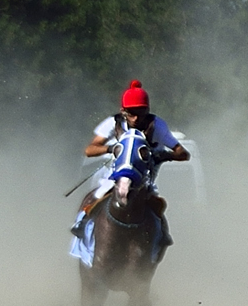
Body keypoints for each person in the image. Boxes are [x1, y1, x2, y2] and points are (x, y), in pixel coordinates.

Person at [73, 80, 189, 232]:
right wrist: (111, 148)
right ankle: (81, 223)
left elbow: (183, 153)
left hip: (144, 179)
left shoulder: (157, 126)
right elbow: (89, 150)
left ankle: (163, 236)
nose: (136, 119)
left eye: (141, 113)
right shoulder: (113, 124)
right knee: (97, 196)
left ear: (147, 110)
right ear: (123, 111)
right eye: (132, 114)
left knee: (158, 211)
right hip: (116, 175)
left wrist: (162, 155)